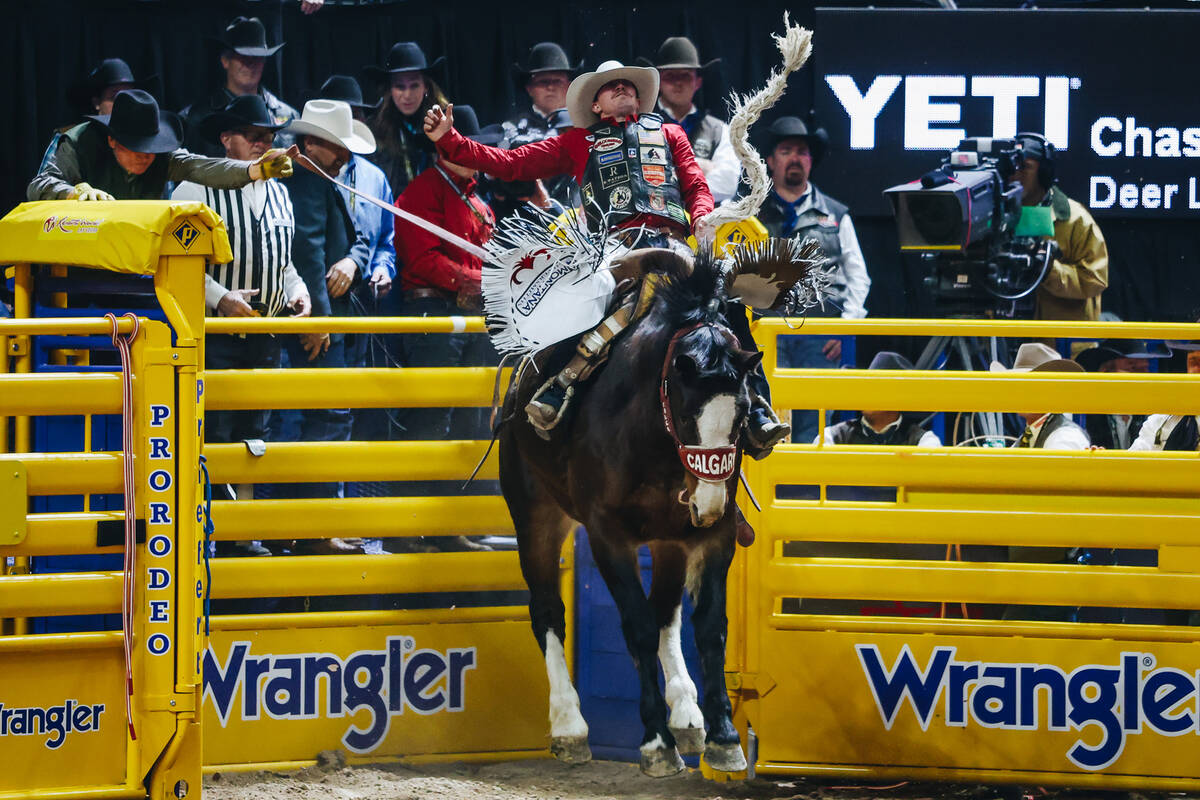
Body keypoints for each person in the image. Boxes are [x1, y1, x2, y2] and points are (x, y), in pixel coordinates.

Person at [425, 61, 788, 453]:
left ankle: (757, 408)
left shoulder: (670, 134)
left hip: (673, 244)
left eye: (627, 84)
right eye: (609, 86)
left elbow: (695, 183)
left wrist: (701, 216)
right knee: (583, 305)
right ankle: (556, 387)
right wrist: (452, 141)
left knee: (725, 302)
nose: (620, 87)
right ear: (595, 105)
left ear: (639, 96)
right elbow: (512, 164)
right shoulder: (577, 142)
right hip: (615, 249)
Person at [171, 94, 311, 558]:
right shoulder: (193, 188)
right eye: (254, 136)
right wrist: (220, 298)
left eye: (269, 137)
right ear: (226, 138)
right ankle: (209, 535)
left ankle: (242, 534)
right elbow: (176, 262)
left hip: (265, 334)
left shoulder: (282, 193)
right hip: (213, 335)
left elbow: (284, 261)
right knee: (214, 431)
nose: (263, 144)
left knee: (257, 435)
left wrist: (299, 290)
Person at [393, 104, 500, 552]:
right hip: (435, 317)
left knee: (472, 421)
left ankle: (462, 522)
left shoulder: (475, 199)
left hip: (474, 321)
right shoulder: (422, 192)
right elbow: (422, 261)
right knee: (434, 421)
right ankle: (421, 525)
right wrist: (486, 280)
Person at [273, 99, 372, 553]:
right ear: (313, 143)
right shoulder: (310, 181)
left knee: (318, 415)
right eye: (337, 148)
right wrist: (317, 320)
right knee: (328, 415)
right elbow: (308, 251)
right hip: (318, 320)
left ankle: (308, 525)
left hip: (316, 316)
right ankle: (315, 528)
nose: (345, 157)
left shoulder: (309, 178)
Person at [757, 115, 870, 443]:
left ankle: (805, 491)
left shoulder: (836, 214)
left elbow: (859, 278)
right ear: (770, 160)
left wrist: (845, 328)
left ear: (811, 161)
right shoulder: (751, 212)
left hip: (821, 336)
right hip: (767, 334)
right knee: (762, 414)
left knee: (814, 420)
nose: (795, 157)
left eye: (802, 151)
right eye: (786, 149)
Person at [28, 89, 291, 201]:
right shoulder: (78, 142)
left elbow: (200, 166)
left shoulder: (162, 155)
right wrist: (72, 192)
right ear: (112, 140)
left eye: (151, 148)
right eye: (135, 147)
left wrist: (257, 170)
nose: (146, 156)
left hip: (138, 267)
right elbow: (38, 185)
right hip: (77, 264)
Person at [1011, 133, 1108, 321]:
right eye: (1011, 168)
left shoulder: (1074, 219)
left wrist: (1048, 270)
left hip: (1059, 343)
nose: (1015, 175)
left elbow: (1095, 280)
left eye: (1025, 167)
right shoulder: (990, 218)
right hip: (996, 341)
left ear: (1044, 173)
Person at [639, 36, 738, 202]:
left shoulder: (719, 130)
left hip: (705, 224)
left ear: (697, 82)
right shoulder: (640, 126)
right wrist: (703, 167)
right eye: (670, 76)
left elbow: (728, 184)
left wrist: (665, 175)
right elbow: (638, 182)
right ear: (659, 82)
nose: (678, 83)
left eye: (685, 76)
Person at [183, 16, 298, 157]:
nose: (250, 64)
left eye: (257, 57)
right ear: (225, 61)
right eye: (242, 57)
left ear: (264, 62)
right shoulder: (195, 117)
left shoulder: (288, 116)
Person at [503, 42, 579, 210]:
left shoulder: (584, 124)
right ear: (529, 88)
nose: (550, 87)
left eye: (557, 81)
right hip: (523, 214)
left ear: (568, 85)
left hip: (577, 215)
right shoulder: (510, 128)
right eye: (543, 82)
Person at [365, 42, 448, 197]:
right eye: (400, 86)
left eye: (414, 85)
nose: (407, 95)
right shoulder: (375, 130)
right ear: (390, 89)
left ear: (426, 87)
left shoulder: (444, 124)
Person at [816, 352, 942, 447]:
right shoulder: (831, 436)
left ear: (898, 397)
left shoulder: (925, 441)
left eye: (877, 388)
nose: (867, 395)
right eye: (866, 388)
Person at [990, 342, 1089, 450]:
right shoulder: (1030, 436)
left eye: (1029, 387)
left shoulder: (1064, 437)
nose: (1020, 393)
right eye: (1017, 386)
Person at [1074, 338, 1169, 449]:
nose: (1143, 378)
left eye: (1145, 369)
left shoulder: (1155, 417)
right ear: (1106, 372)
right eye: (1133, 368)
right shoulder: (1083, 416)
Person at [66, 58, 152, 117]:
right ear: (97, 103)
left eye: (130, 98)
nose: (124, 105)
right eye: (115, 97)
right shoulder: (76, 139)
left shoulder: (146, 140)